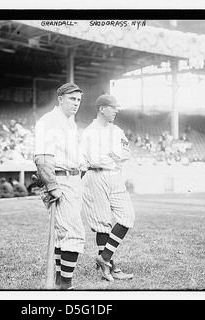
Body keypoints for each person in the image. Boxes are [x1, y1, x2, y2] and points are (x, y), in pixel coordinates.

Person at [33, 82, 85, 290]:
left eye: (79, 100)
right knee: (73, 233)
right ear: (60, 99)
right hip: (59, 179)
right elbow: (42, 157)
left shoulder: (69, 122)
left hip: (73, 178)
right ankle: (66, 286)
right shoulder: (49, 121)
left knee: (63, 232)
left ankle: (58, 280)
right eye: (72, 99)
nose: (76, 103)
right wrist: (53, 185)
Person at [80, 94, 135, 282]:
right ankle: (110, 269)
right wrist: (114, 154)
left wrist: (112, 154)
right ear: (102, 108)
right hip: (95, 176)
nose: (116, 110)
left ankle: (104, 258)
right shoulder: (89, 132)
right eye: (113, 107)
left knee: (127, 217)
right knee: (102, 223)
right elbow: (95, 160)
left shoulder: (117, 130)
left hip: (115, 176)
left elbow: (127, 153)